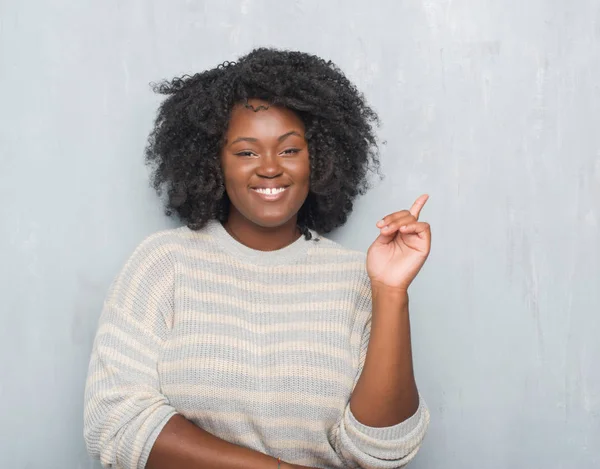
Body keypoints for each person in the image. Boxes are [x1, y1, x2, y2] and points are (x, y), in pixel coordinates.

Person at [83, 47, 431, 469]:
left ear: (317, 159)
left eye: (289, 150)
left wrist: (391, 290)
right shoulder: (164, 263)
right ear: (214, 162)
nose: (269, 168)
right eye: (246, 152)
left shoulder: (356, 279)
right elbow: (117, 423)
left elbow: (381, 450)